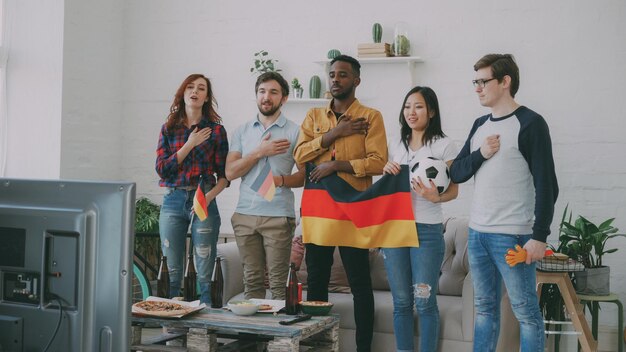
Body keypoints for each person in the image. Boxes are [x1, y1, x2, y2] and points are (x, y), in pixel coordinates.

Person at [450, 54, 559, 352]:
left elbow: (547, 185)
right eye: (475, 82)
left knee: (526, 313)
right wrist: (481, 153)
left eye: (483, 81)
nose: (477, 88)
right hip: (478, 235)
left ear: (505, 81)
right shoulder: (479, 125)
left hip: (513, 237)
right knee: (484, 310)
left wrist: (539, 237)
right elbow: (455, 172)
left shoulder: (531, 124)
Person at [293, 54, 387, 352]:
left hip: (354, 207)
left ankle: (363, 349)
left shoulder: (371, 117)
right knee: (317, 281)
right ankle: (315, 346)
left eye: (343, 74)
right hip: (319, 208)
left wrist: (337, 165)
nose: (335, 79)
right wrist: (335, 134)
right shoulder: (313, 117)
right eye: (332, 74)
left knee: (359, 283)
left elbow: (378, 162)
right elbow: (299, 156)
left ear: (356, 80)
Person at [381, 86, 459, 352]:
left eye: (418, 106)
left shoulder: (444, 144)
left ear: (432, 111)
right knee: (401, 302)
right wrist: (386, 170)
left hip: (427, 231)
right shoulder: (395, 144)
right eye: (407, 107)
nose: (411, 112)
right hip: (395, 230)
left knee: (424, 301)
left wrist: (435, 197)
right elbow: (386, 189)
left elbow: (454, 190)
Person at [225, 72, 304, 300]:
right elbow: (231, 172)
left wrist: (279, 181)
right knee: (252, 282)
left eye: (273, 92)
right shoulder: (242, 131)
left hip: (278, 216)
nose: (266, 97)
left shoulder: (296, 132)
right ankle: (254, 337)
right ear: (256, 95)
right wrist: (259, 152)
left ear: (284, 98)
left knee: (279, 284)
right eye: (262, 91)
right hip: (245, 215)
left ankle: (279, 337)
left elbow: (305, 176)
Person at [155, 73, 229, 304]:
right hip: (173, 200)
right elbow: (162, 168)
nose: (195, 92)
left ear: (207, 97)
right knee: (172, 268)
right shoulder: (169, 129)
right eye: (190, 87)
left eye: (201, 88)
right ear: (183, 93)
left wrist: (207, 198)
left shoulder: (216, 131)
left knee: (205, 268)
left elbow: (224, 176)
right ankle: (171, 325)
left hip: (203, 197)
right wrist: (189, 144)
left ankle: (207, 325)